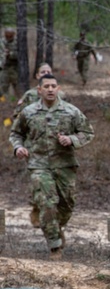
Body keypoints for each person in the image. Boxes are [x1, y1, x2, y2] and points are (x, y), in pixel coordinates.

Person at [10, 73, 94, 259]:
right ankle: (55, 246)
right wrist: (19, 147)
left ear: (58, 89)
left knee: (67, 204)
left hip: (65, 165)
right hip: (38, 165)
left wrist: (71, 139)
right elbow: (16, 133)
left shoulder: (71, 111)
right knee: (47, 204)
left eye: (53, 86)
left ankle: (52, 224)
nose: (50, 89)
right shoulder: (28, 112)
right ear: (39, 90)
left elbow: (87, 132)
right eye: (46, 86)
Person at [1, 28, 18, 99]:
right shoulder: (2, 42)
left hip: (15, 68)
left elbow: (21, 55)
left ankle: (19, 100)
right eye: (7, 36)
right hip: (4, 67)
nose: (8, 38)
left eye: (10, 36)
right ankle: (3, 101)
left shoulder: (17, 42)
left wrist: (10, 54)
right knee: (3, 85)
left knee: (17, 85)